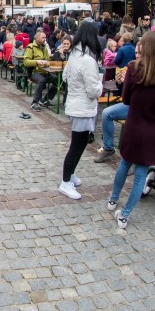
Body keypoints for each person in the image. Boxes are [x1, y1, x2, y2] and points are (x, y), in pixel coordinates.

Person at [107, 31, 155, 229]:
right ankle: (125, 214)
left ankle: (114, 199)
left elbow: (127, 99)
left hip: (134, 122)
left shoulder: (134, 68)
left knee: (125, 163)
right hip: (154, 125)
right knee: (140, 173)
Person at [58, 23, 103, 199]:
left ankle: (71, 174)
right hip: (82, 108)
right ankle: (65, 182)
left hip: (75, 105)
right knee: (77, 146)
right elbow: (93, 91)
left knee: (79, 144)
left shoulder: (75, 56)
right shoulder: (88, 60)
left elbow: (65, 77)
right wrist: (100, 83)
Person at [23, 31, 53, 111]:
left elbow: (48, 59)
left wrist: (47, 62)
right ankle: (34, 102)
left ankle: (45, 99)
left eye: (45, 38)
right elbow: (26, 62)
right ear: (37, 38)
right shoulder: (30, 47)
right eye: (43, 38)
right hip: (34, 72)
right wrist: (36, 62)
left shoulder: (45, 47)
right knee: (42, 80)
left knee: (58, 80)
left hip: (45, 71)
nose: (44, 39)